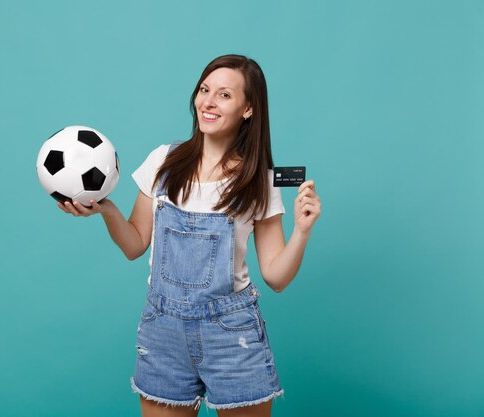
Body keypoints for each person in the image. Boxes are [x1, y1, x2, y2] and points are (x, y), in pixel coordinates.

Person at [58, 54, 322, 417]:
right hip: (162, 331)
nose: (208, 102)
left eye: (224, 95)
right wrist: (107, 209)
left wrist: (302, 232)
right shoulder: (163, 162)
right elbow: (135, 245)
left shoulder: (259, 179)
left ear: (249, 109)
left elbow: (276, 276)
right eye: (204, 89)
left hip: (232, 335)